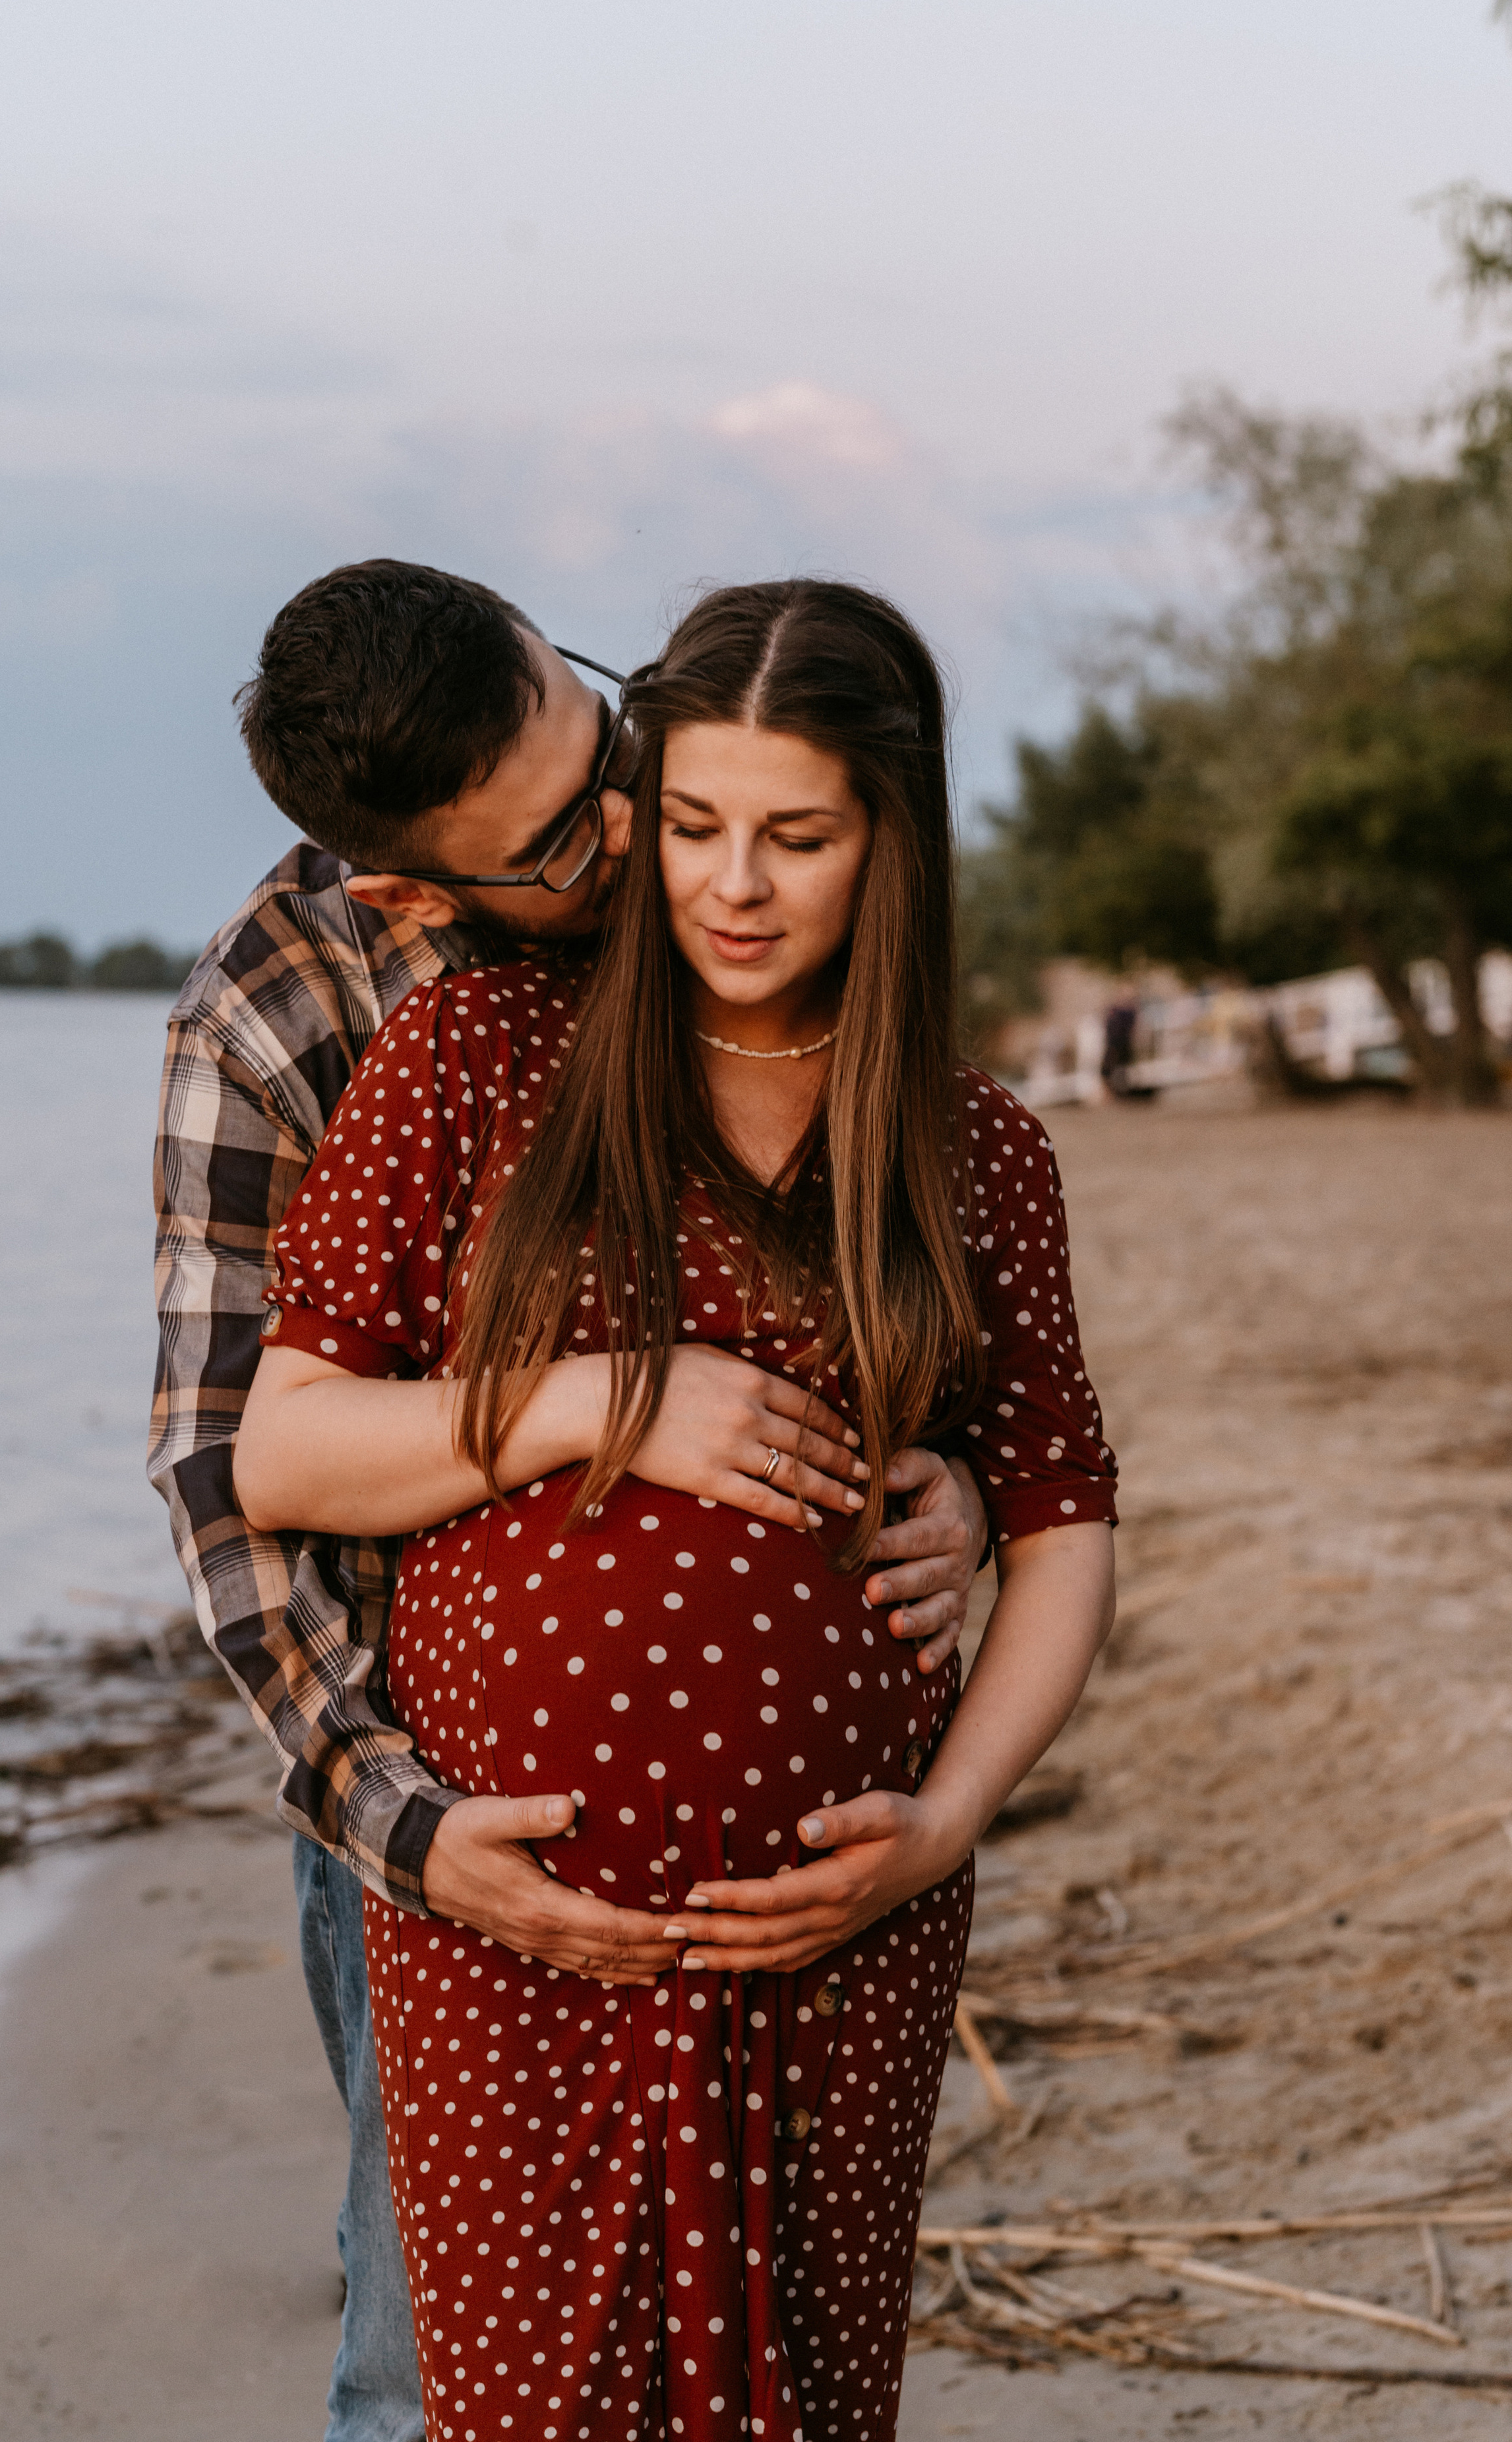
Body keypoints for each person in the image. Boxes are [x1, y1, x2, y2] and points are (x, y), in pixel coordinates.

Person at [234, 578, 1118, 2441]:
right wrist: (590, 1413)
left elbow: (1062, 1515)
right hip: (512, 1924)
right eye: (692, 828)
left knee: (802, 2401)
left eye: (793, 837)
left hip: (837, 1933)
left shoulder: (974, 1150)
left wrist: (946, 1822)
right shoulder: (472, 1063)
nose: (721, 880)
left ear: (890, 838)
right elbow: (275, 1456)